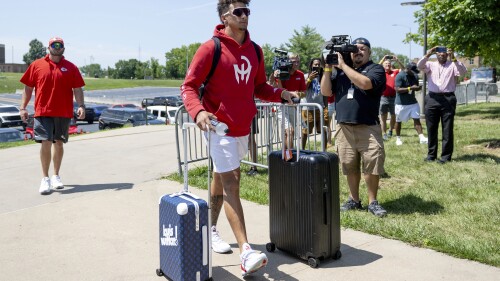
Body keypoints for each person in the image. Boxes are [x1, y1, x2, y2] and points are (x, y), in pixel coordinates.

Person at [180, 0, 298, 276]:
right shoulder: (211, 48)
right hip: (218, 127)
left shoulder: (255, 50)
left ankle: (209, 230)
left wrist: (281, 94)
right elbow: (188, 86)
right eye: (239, 12)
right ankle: (246, 252)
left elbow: (259, 86)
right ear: (225, 17)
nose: (245, 16)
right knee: (232, 181)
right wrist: (198, 112)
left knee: (221, 178)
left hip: (243, 126)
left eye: (247, 11)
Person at [320, 37, 388, 217]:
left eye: (363, 48)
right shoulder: (341, 73)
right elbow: (326, 92)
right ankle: (354, 199)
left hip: (368, 127)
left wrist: (343, 66)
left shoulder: (376, 69)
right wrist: (327, 68)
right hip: (344, 128)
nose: (358, 51)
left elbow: (365, 83)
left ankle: (373, 202)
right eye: (355, 49)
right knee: (349, 164)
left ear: (369, 52)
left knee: (372, 163)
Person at [19, 37, 86, 195]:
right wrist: (22, 107)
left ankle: (56, 175)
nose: (57, 47)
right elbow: (28, 88)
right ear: (48, 47)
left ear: (63, 48)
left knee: (59, 144)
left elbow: (77, 89)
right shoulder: (36, 65)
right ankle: (45, 179)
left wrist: (81, 105)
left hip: (63, 112)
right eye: (54, 45)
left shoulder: (71, 67)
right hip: (43, 111)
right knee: (46, 142)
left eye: (60, 45)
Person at [417, 46, 467, 163]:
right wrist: (428, 54)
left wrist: (454, 57)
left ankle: (445, 156)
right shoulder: (430, 64)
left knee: (447, 128)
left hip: (447, 98)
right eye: (439, 53)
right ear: (436, 55)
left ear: (447, 55)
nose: (442, 55)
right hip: (432, 98)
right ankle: (431, 155)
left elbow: (463, 71)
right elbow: (419, 66)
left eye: (444, 53)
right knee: (431, 128)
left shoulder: (453, 64)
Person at [269, 53, 306, 150]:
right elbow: (279, 90)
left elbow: (304, 92)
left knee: (288, 134)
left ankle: (285, 157)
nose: (296, 63)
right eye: (294, 61)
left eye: (298, 61)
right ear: (288, 62)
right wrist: (277, 78)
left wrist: (297, 94)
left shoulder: (300, 74)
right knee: (290, 131)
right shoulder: (281, 72)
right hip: (281, 106)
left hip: (293, 106)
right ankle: (291, 158)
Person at [394, 63, 428, 145]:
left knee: (416, 119)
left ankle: (421, 137)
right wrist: (410, 88)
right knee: (398, 121)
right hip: (401, 103)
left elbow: (415, 87)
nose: (414, 73)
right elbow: (397, 89)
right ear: (407, 69)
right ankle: (398, 138)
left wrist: (417, 88)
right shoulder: (400, 76)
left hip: (413, 102)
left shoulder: (415, 76)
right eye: (413, 71)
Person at [302, 58, 328, 150]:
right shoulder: (306, 76)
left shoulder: (323, 77)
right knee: (305, 131)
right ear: (311, 65)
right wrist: (309, 79)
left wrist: (326, 107)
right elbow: (302, 89)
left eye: (318, 64)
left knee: (323, 130)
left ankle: (324, 151)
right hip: (308, 108)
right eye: (315, 64)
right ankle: (302, 149)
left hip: (320, 108)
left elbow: (325, 93)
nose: (317, 66)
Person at [378, 55, 404, 140]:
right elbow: (377, 66)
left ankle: (390, 130)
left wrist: (397, 60)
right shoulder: (380, 72)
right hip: (383, 98)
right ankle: (384, 133)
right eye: (386, 64)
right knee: (383, 117)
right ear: (383, 65)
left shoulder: (395, 72)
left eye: (389, 64)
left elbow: (403, 70)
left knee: (393, 115)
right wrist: (383, 59)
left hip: (394, 97)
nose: (388, 65)